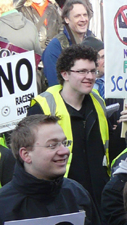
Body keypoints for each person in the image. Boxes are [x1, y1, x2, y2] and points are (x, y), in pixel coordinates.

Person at [28, 44, 119, 211]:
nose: (90, 76)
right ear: (65, 74)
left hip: (98, 198)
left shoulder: (97, 101)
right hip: (61, 197)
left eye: (93, 71)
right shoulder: (43, 106)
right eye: (82, 71)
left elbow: (106, 149)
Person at [43, 0, 95, 87]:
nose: (83, 19)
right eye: (77, 16)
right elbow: (55, 85)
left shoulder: (93, 40)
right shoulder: (55, 47)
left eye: (85, 15)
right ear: (67, 19)